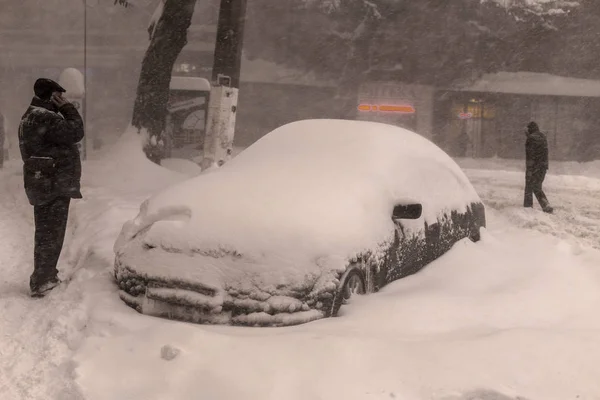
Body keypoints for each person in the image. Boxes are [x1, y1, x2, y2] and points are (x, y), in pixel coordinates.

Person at [18, 78, 84, 297]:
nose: (63, 100)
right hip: (53, 183)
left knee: (45, 232)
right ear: (52, 97)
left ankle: (43, 276)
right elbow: (76, 132)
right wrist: (67, 108)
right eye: (59, 96)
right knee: (51, 233)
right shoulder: (45, 117)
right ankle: (44, 279)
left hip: (42, 181)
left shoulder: (30, 116)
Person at [524, 121, 553, 213]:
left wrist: (529, 170)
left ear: (529, 130)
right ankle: (545, 204)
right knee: (537, 186)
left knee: (529, 185)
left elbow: (530, 156)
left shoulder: (531, 139)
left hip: (534, 166)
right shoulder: (543, 137)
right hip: (543, 166)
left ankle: (528, 207)